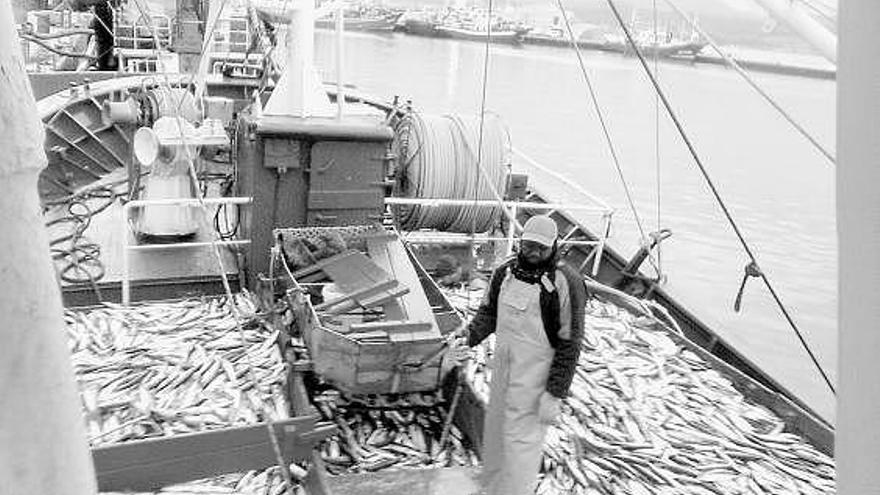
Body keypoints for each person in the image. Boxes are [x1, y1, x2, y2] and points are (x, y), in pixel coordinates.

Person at [459, 215, 586, 495]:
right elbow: (488, 314)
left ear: (554, 246)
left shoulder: (566, 281)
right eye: (530, 245)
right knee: (493, 430)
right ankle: (491, 486)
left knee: (521, 444)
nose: (535, 252)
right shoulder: (504, 272)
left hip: (535, 380)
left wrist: (554, 393)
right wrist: (466, 338)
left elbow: (570, 342)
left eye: (542, 248)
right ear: (520, 242)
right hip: (503, 370)